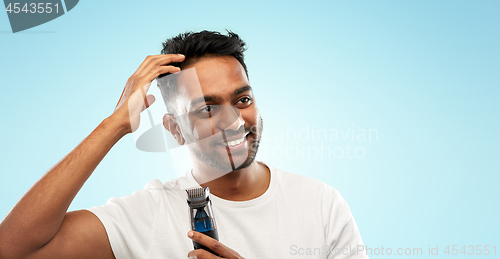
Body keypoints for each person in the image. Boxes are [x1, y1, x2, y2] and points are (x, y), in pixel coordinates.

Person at [0, 30, 368, 259]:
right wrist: (113, 125)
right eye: (207, 108)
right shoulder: (145, 215)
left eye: (242, 100)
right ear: (174, 130)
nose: (235, 122)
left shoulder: (321, 203)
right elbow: (13, 248)